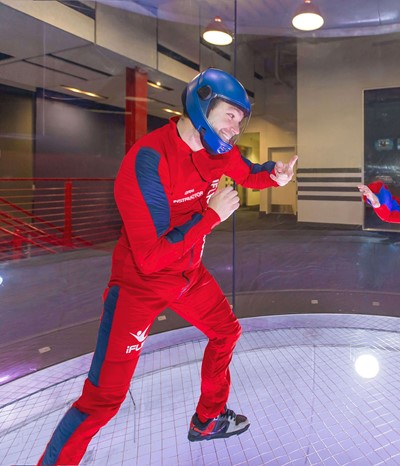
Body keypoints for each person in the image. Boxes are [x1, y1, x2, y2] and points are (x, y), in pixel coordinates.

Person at [38, 68, 297, 465]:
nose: (235, 127)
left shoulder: (219, 153)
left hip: (188, 276)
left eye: (241, 120)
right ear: (202, 103)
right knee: (104, 399)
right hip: (140, 284)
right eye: (230, 115)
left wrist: (275, 176)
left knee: (226, 332)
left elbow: (250, 174)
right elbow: (151, 256)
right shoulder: (148, 161)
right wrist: (211, 216)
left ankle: (208, 419)